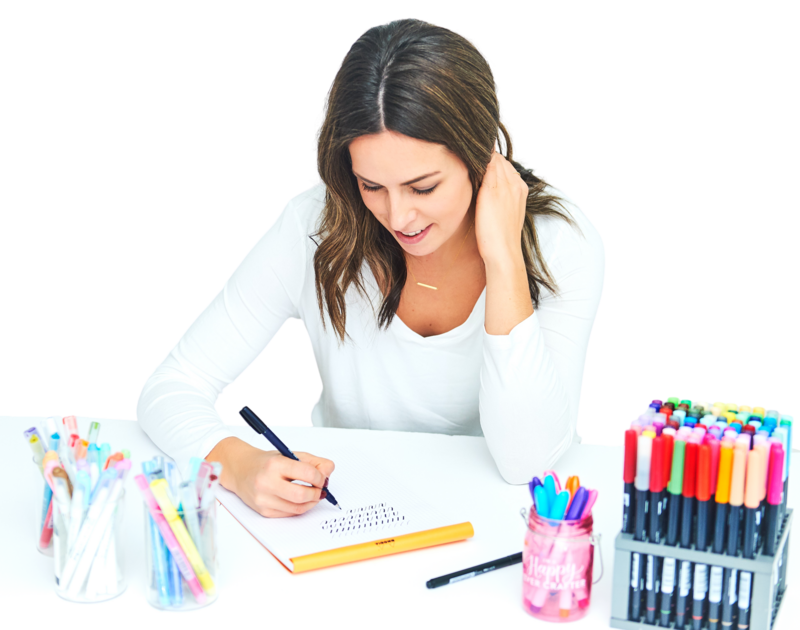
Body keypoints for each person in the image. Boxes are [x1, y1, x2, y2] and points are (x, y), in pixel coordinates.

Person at [134, 18, 608, 519]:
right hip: (343, 515)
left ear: (482, 156)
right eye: (372, 186)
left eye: (423, 187)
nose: (399, 217)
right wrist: (235, 462)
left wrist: (504, 258)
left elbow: (526, 462)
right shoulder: (313, 226)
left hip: (500, 524)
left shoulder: (561, 241)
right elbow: (170, 387)